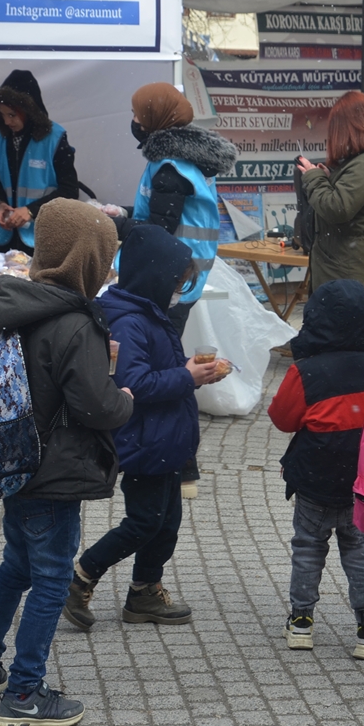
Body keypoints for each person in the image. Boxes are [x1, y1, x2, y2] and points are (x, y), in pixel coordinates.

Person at [0, 198, 134, 726]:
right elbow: (95, 406)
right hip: (55, 471)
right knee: (53, 578)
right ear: (87, 261)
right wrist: (122, 394)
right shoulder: (74, 323)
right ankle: (25, 694)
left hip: (14, 463)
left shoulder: (17, 305)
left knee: (18, 567)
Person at [63, 225, 220, 633]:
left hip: (165, 439)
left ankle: (145, 592)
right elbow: (136, 384)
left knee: (167, 521)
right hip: (146, 439)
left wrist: (195, 375)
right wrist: (189, 378)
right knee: (144, 522)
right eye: (175, 282)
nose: (178, 291)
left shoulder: (148, 312)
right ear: (154, 277)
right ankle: (80, 577)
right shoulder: (130, 321)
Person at [121, 82, 238, 499]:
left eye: (138, 114)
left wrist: (115, 224)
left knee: (166, 370)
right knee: (167, 366)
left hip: (167, 283)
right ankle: (179, 461)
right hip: (177, 279)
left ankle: (179, 461)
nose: (133, 122)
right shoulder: (182, 159)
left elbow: (158, 232)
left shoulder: (170, 166)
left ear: (155, 118)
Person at [268, 279, 364, 660]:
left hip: (314, 483)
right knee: (359, 553)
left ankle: (301, 623)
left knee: (307, 549)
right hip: (358, 485)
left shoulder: (305, 372)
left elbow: (282, 420)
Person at [296, 91, 364, 345]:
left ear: (349, 128)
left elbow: (337, 208)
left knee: (347, 343)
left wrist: (314, 179)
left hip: (353, 266)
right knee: (353, 342)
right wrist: (328, 179)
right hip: (360, 264)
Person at [0, 71, 79, 254]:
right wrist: (0, 204)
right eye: (2, 114)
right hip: (6, 239)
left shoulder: (55, 137)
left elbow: (69, 191)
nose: (6, 121)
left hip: (44, 242)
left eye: (12, 115)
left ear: (28, 111)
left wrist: (30, 211)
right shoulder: (0, 136)